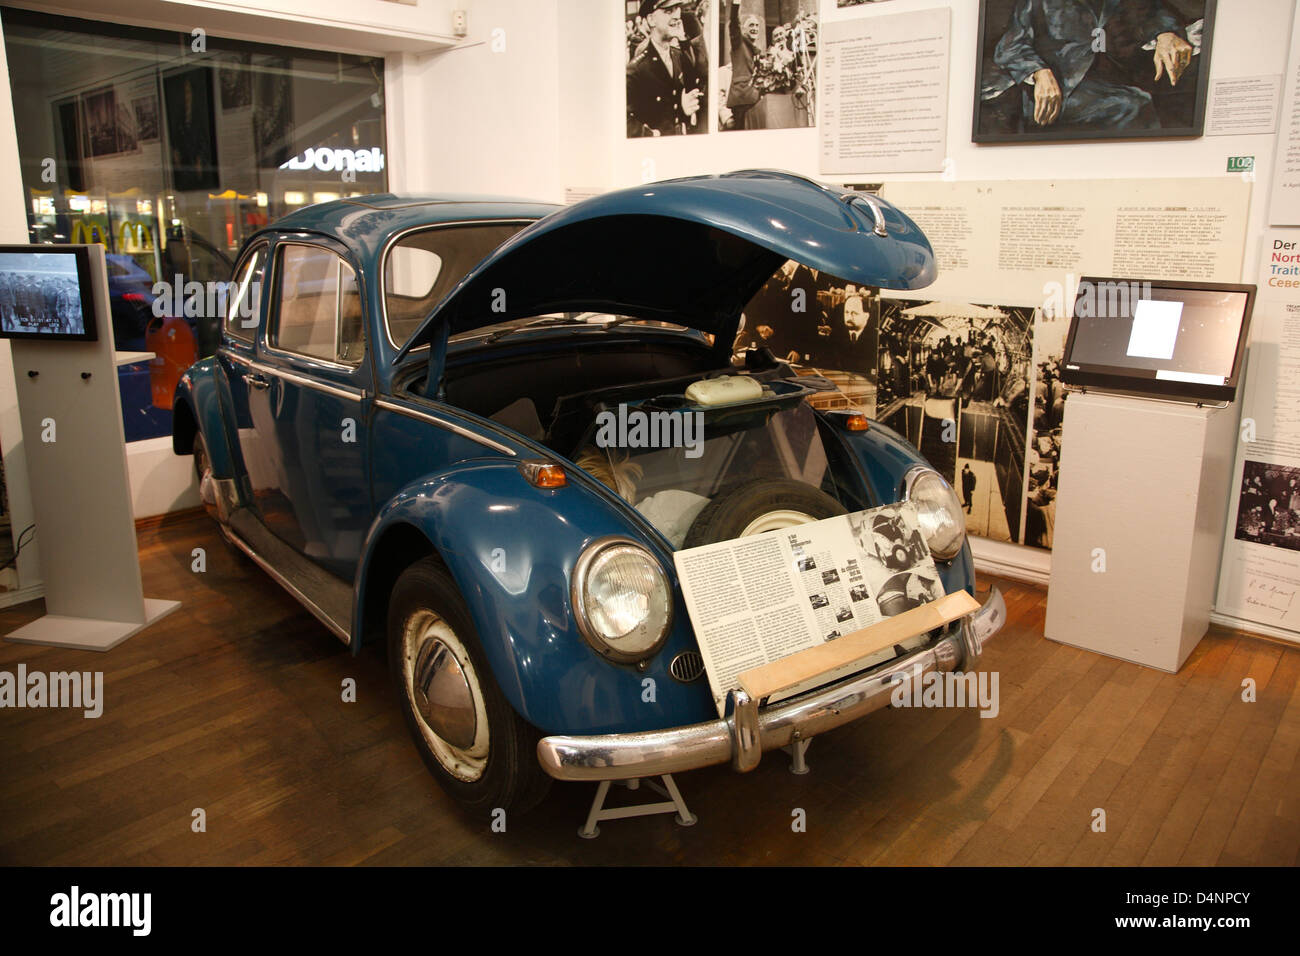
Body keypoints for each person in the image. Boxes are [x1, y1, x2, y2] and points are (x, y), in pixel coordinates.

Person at [987, 0, 1195, 132]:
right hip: (1060, 92)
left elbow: (1153, 11)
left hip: (1115, 77)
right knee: (1135, 105)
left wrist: (1165, 34)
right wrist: (1040, 72)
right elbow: (1010, 47)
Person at [627, 0, 704, 137]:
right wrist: (650, 135)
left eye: (677, 9)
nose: (677, 16)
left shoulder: (678, 56)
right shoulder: (636, 70)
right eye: (668, 11)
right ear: (651, 20)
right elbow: (623, 120)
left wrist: (682, 110)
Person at [725, 0, 764, 130]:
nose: (755, 28)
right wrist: (736, 4)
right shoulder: (739, 43)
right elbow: (733, 25)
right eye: (751, 25)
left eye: (757, 25)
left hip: (754, 99)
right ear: (744, 29)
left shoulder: (756, 50)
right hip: (741, 99)